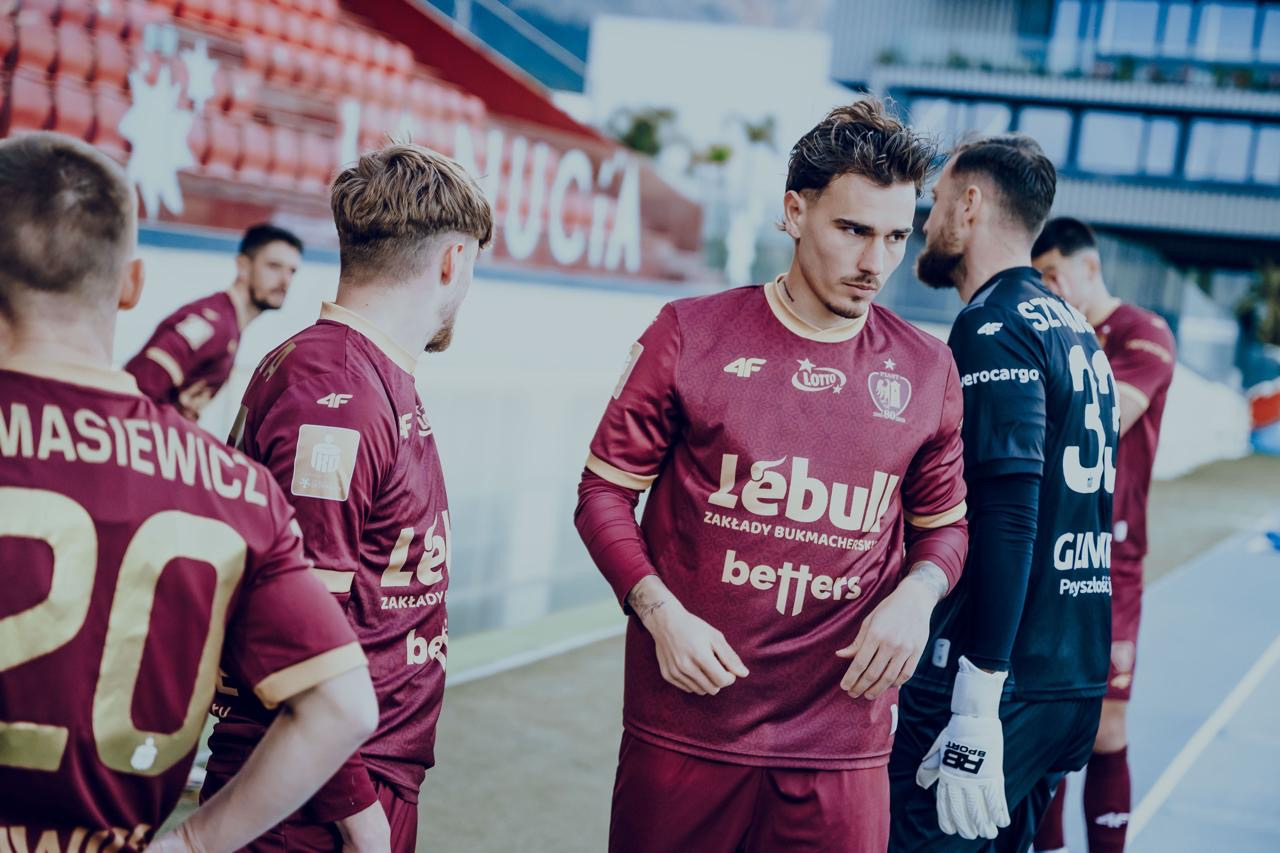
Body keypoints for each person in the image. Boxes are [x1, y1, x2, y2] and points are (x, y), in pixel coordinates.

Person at [575, 98, 970, 852]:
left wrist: (918, 596)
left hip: (842, 738)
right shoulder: (689, 333)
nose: (875, 263)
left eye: (895, 236)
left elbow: (945, 529)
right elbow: (603, 496)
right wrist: (660, 614)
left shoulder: (928, 369)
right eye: (852, 230)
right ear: (794, 212)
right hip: (688, 721)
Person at [0, 133, 379, 850]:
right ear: (132, 284)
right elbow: (345, 707)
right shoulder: (241, 490)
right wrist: (197, 842)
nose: (283, 279)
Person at [201, 142, 492, 851]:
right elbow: (291, 634)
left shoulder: (359, 372)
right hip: (315, 802)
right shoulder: (337, 391)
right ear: (453, 261)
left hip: (347, 781)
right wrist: (362, 820)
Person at [888, 135, 1118, 851]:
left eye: (934, 203)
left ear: (970, 205)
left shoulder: (994, 326)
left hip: (996, 679)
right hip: (1070, 673)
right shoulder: (1078, 330)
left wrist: (977, 695)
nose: (926, 222)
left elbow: (1011, 516)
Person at [1031, 217, 1176, 853]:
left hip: (1113, 557)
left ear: (1089, 267)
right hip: (1049, 547)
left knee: (1105, 723)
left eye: (1054, 276)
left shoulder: (1144, 333)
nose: (1049, 290)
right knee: (1046, 715)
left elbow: (1107, 417)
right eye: (1039, 280)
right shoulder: (1052, 333)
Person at [124, 223, 303, 421]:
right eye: (274, 266)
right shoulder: (212, 323)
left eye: (292, 271)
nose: (285, 281)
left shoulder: (229, 325)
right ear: (243, 266)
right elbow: (137, 388)